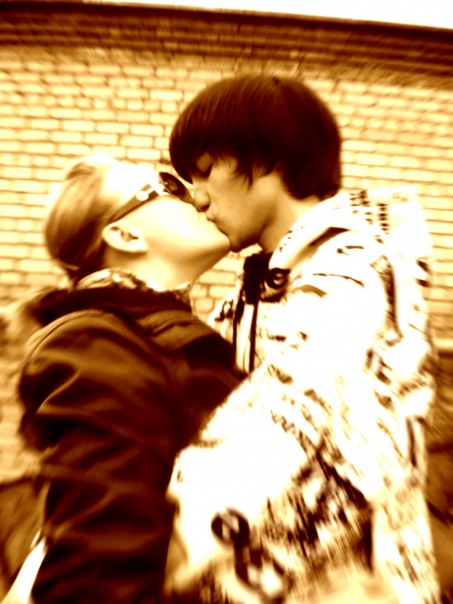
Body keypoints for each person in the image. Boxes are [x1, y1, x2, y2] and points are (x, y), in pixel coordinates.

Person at [162, 74, 441, 603]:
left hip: (351, 587)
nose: (197, 198)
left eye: (205, 169)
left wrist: (171, 534)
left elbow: (291, 402)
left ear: (267, 157)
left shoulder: (356, 269)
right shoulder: (263, 284)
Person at [1, 153, 243, 603]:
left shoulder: (152, 336)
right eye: (170, 186)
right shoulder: (97, 342)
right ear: (125, 235)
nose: (196, 196)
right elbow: (95, 577)